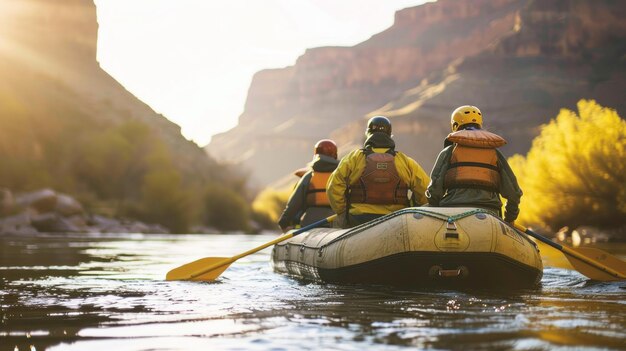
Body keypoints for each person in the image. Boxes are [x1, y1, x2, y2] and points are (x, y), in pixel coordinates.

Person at [327, 116, 430, 228]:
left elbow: (334, 186)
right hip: (396, 219)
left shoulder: (354, 158)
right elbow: (425, 188)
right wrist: (412, 208)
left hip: (358, 219)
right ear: (389, 135)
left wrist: (343, 210)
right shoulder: (405, 161)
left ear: (368, 134)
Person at [426, 105, 522, 224]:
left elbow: (434, 190)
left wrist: (435, 211)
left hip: (452, 213)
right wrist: (509, 219)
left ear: (455, 126)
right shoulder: (495, 154)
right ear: (480, 124)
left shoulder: (449, 152)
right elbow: (514, 193)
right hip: (490, 215)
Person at [278, 139, 339, 232]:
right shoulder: (342, 175)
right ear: (335, 155)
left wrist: (283, 223)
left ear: (316, 155)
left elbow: (294, 203)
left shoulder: (309, 176)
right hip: (337, 225)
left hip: (311, 224)